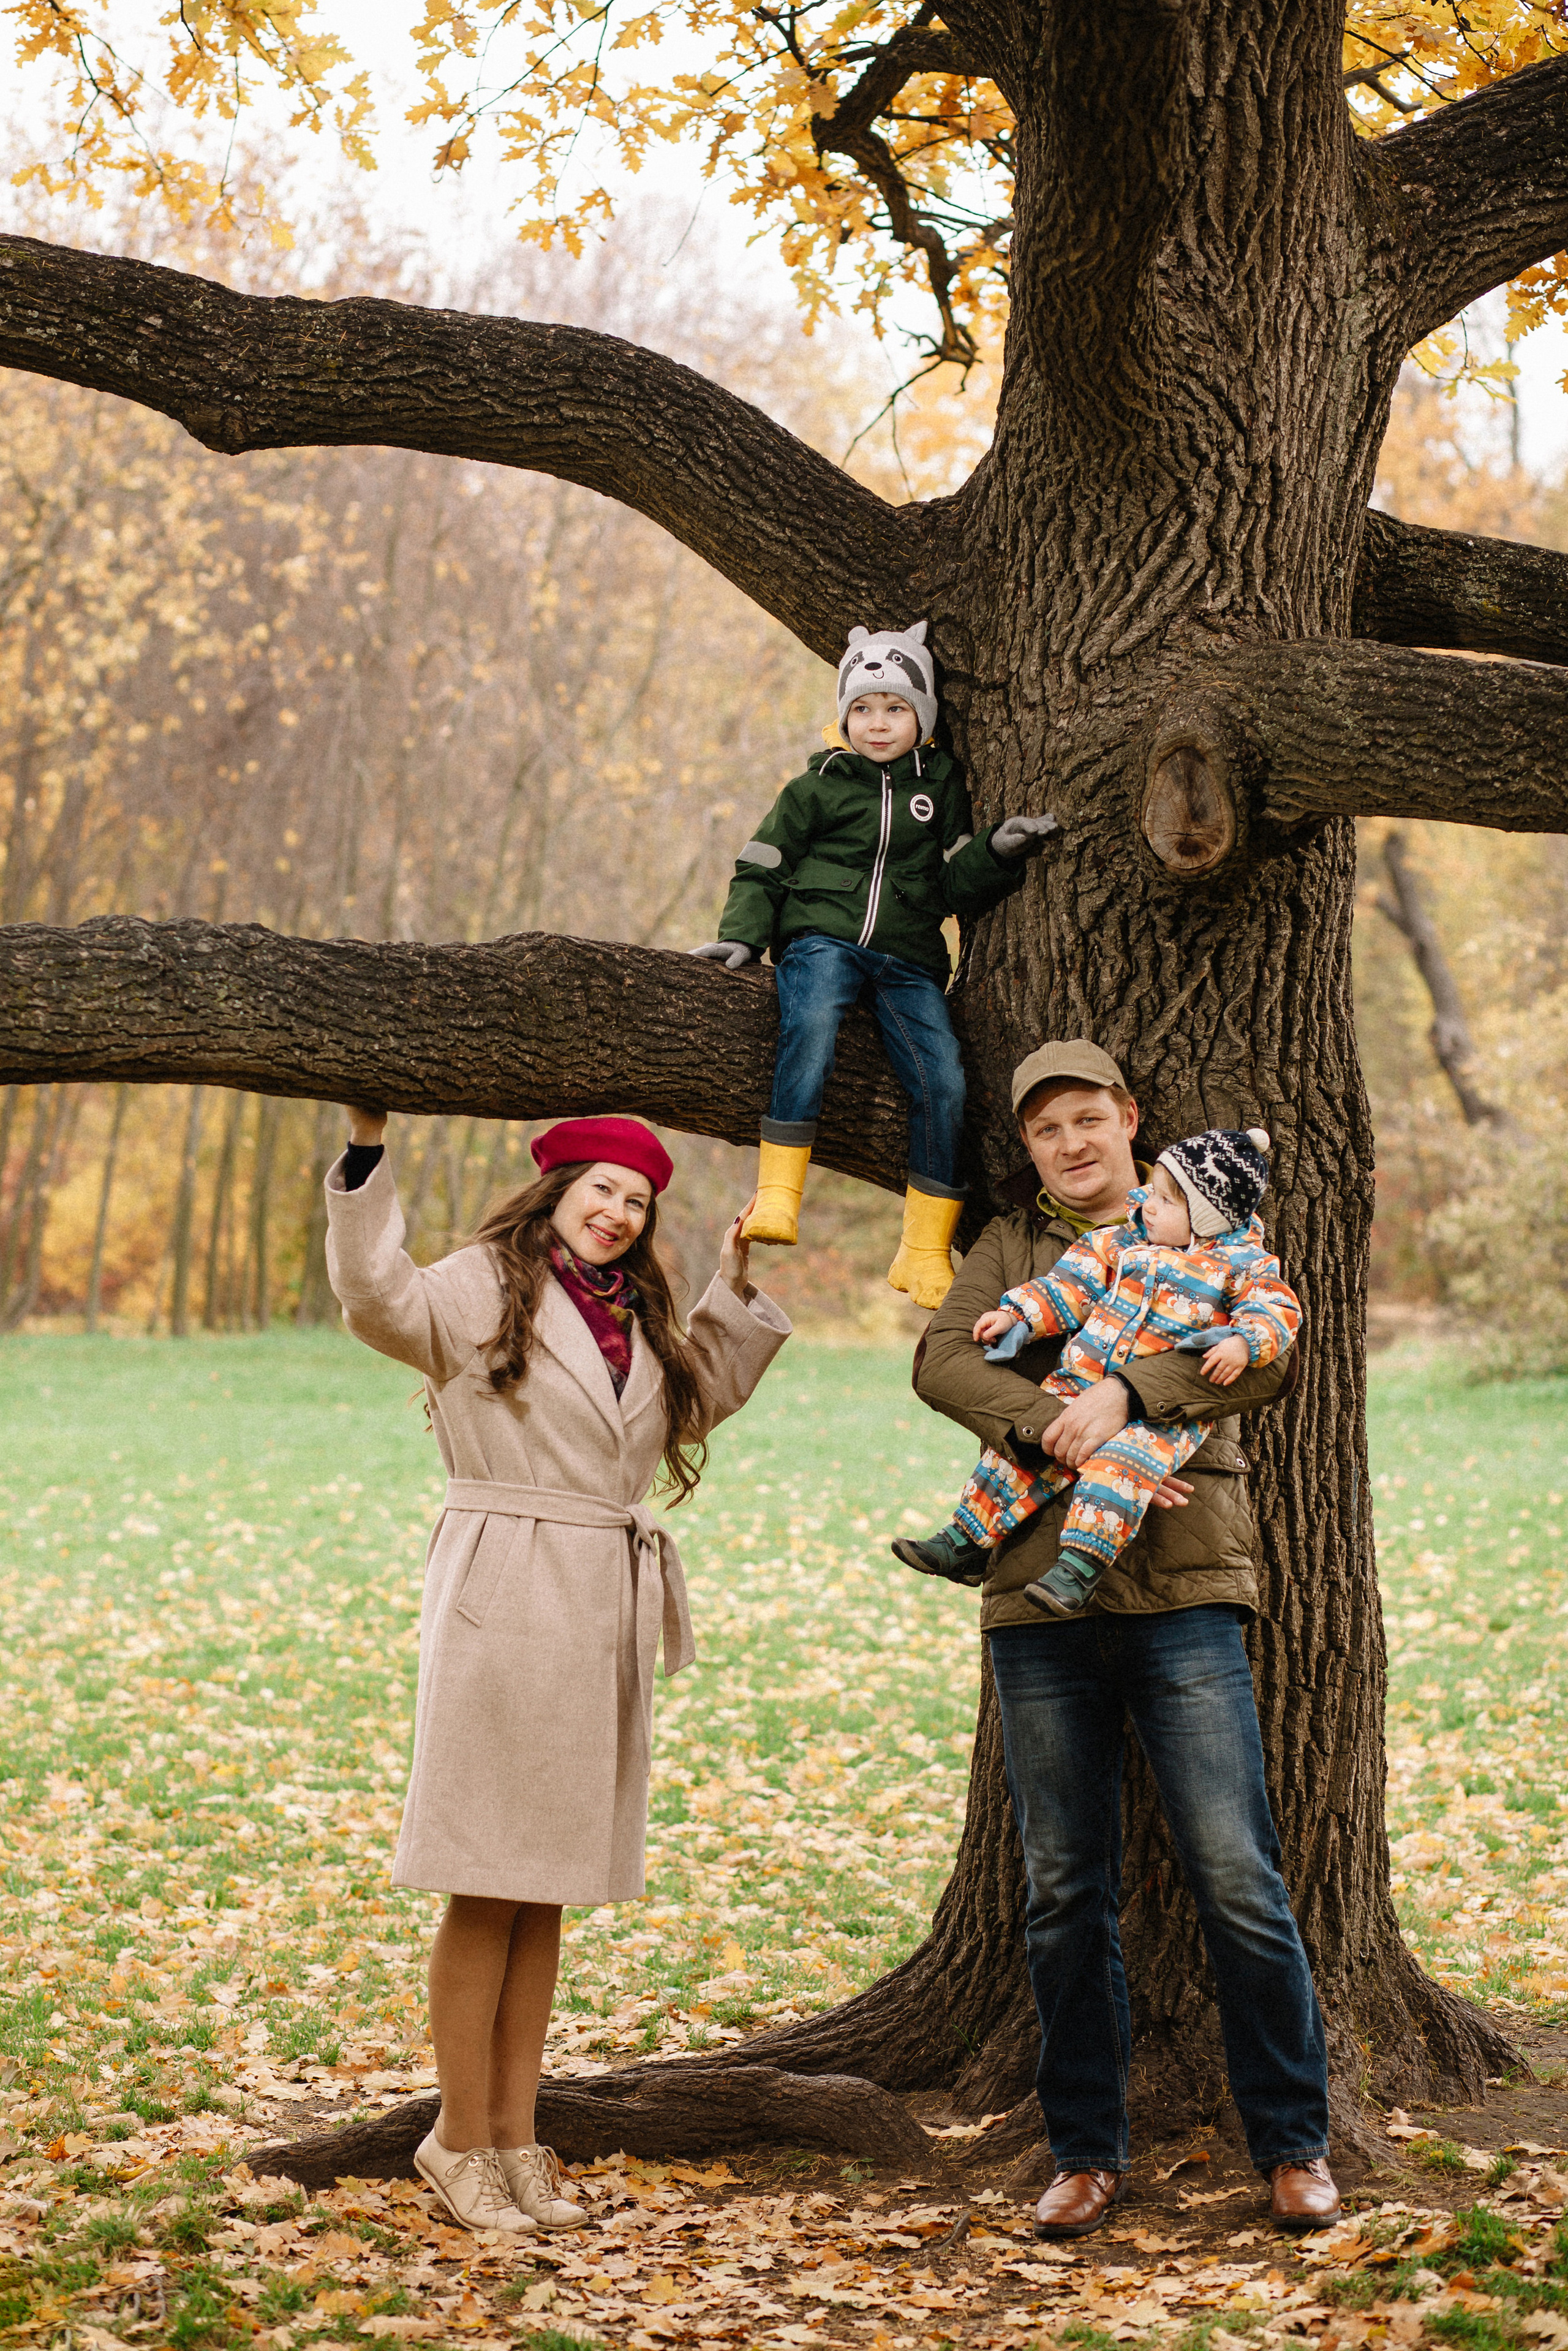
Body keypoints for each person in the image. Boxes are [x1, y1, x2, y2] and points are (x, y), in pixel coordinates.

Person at [325, 1111, 790, 2237]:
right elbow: (379, 1299)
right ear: (556, 1187)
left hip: (596, 1602)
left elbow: (695, 1404)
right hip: (505, 1586)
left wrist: (731, 1283)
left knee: (545, 1886)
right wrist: (364, 1154)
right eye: (602, 1189)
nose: (619, 1213)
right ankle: (459, 2134)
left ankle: (516, 2136)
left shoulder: (637, 1313)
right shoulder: (484, 1282)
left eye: (638, 1201)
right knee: (486, 1872)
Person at [913, 1040, 1340, 2240]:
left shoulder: (1216, 1232)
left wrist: (1137, 1389)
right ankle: (1085, 2149)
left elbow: (1262, 1362)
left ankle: (1292, 2142)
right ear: (1032, 1146)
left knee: (1236, 1874)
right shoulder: (1008, 1244)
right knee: (1060, 1890)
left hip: (1185, 1580)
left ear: (1128, 1121)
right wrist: (1062, 1420)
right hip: (1034, 1590)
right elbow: (941, 1357)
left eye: (1088, 1118)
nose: (1070, 1141)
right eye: (1046, 1127)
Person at [691, 620, 1057, 1308]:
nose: (878, 723)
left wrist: (996, 852)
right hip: (821, 940)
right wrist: (741, 935)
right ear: (843, 717)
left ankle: (922, 1249)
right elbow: (763, 863)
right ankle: (778, 1194)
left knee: (943, 1077)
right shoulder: (817, 786)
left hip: (908, 959)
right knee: (812, 1027)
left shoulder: (939, 784)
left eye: (895, 708)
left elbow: (953, 880)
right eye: (862, 708)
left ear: (921, 717)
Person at [894, 1129, 1300, 1616]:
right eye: (1154, 1192)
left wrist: (1244, 1341)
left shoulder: (1240, 1264)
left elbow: (1276, 1309)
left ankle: (1079, 1567)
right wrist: (1018, 1316)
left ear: (1207, 1220)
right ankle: (964, 1539)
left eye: (1167, 1201)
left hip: (1161, 1419)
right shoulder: (1120, 1242)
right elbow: (1069, 1287)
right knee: (1014, 1461)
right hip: (1080, 1381)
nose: (1149, 1205)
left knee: (1117, 1474)